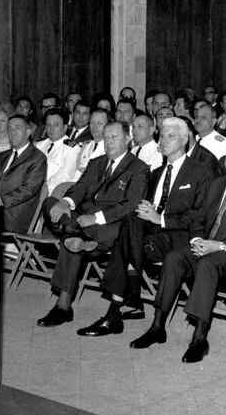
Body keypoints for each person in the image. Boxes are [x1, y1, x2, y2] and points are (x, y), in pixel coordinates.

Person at [130, 136, 226, 363]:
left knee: (209, 263)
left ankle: (199, 338)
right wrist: (198, 239)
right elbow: (198, 218)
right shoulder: (217, 184)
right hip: (208, 247)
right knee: (174, 257)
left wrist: (218, 245)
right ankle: (157, 326)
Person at [77, 118, 211, 335]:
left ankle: (121, 304)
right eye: (162, 136)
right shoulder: (157, 172)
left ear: (185, 139)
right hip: (149, 235)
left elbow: (199, 216)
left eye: (171, 136)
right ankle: (127, 297)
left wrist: (161, 219)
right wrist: (147, 212)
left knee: (125, 241)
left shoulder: (199, 171)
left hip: (179, 236)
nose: (164, 141)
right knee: (130, 223)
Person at [36, 122, 150, 327]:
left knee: (71, 242)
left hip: (109, 224)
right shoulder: (97, 162)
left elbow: (131, 206)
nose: (109, 142)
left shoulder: (139, 168)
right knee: (50, 202)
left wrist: (95, 218)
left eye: (114, 137)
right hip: (82, 218)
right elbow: (79, 188)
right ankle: (75, 233)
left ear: (127, 139)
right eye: (106, 137)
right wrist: (66, 202)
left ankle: (62, 307)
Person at [0, 115, 47, 235]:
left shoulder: (37, 158)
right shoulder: (2, 156)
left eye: (17, 128)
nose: (12, 132)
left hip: (15, 213)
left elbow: (28, 189)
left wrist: (0, 201)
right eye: (10, 129)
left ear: (28, 132)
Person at [35, 107, 80, 194]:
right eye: (48, 125)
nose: (51, 129)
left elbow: (64, 175)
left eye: (56, 125)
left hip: (54, 193)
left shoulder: (72, 148)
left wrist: (43, 189)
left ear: (65, 127)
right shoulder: (39, 145)